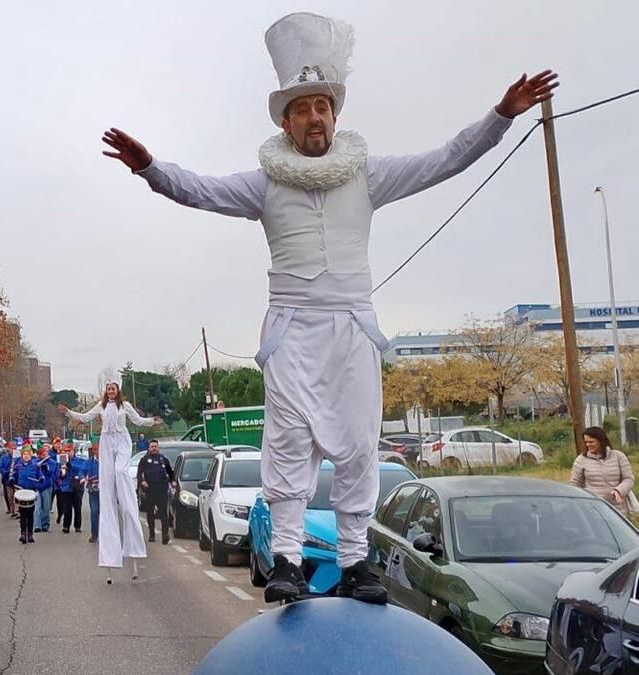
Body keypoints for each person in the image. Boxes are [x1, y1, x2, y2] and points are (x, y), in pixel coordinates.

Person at [102, 12, 557, 604]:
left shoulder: (367, 175)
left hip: (351, 328)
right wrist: (150, 168)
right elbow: (200, 189)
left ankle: (354, 563)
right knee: (288, 444)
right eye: (303, 109)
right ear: (285, 121)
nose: (315, 117)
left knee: (359, 445)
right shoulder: (265, 184)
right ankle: (287, 562)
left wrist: (501, 116)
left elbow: (445, 159)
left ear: (335, 116)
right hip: (291, 330)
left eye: (323, 106)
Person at [59, 380, 161, 582]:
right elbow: (85, 417)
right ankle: (111, 494)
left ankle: (124, 492)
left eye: (113, 389)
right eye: (109, 389)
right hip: (106, 440)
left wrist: (152, 421)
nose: (111, 391)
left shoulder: (125, 406)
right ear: (106, 392)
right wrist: (69, 412)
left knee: (120, 470)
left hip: (121, 439)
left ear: (117, 390)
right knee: (108, 476)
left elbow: (138, 420)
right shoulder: (102, 406)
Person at [571, 427, 634, 513]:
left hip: (618, 509)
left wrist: (619, 490)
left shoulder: (618, 456)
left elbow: (628, 479)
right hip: (593, 508)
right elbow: (575, 484)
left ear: (601, 441)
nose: (588, 445)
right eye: (586, 442)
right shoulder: (581, 460)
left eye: (591, 442)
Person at [136, 440, 176, 545]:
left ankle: (165, 535)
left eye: (155, 446)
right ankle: (152, 534)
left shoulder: (163, 459)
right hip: (149, 489)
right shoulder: (144, 460)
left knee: (163, 513)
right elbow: (139, 474)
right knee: (150, 513)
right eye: (152, 446)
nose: (154, 448)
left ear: (158, 448)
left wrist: (173, 481)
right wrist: (142, 481)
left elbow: (170, 473)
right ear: (149, 448)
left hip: (162, 489)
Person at [11, 446, 47, 543]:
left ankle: (30, 534)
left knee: (30, 514)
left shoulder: (35, 466)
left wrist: (41, 479)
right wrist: (12, 479)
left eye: (28, 454)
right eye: (24, 454)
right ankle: (23, 533)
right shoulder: (18, 466)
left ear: (31, 455)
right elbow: (13, 475)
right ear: (21, 455)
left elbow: (41, 475)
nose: (26, 456)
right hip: (21, 491)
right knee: (23, 514)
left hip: (31, 491)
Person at [54, 446, 83, 534]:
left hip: (76, 486)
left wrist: (69, 465)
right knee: (67, 508)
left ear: (73, 451)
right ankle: (66, 526)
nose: (68, 453)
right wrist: (61, 473)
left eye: (69, 451)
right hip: (66, 487)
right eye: (66, 451)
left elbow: (79, 470)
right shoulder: (61, 460)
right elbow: (57, 473)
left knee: (77, 507)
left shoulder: (79, 460)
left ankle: (77, 526)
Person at [80, 443, 102, 543]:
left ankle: (106, 534)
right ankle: (94, 534)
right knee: (94, 511)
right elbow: (82, 472)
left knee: (105, 513)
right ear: (93, 451)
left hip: (105, 492)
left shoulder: (107, 461)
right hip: (93, 490)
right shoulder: (89, 462)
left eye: (99, 449)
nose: (97, 451)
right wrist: (83, 478)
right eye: (95, 449)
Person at [35, 444, 56, 533]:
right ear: (39, 455)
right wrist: (37, 468)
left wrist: (47, 468)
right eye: (43, 455)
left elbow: (52, 474)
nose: (45, 456)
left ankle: (45, 525)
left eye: (46, 454)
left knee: (46, 507)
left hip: (47, 486)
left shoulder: (52, 462)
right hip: (37, 486)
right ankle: (37, 525)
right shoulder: (35, 462)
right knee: (37, 506)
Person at [0, 442, 18, 518]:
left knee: (16, 495)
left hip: (16, 479)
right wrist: (6, 472)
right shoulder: (4, 458)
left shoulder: (18, 457)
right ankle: (11, 508)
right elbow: (0, 467)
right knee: (9, 496)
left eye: (14, 448)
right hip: (7, 479)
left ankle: (16, 511)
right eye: (11, 448)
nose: (13, 450)